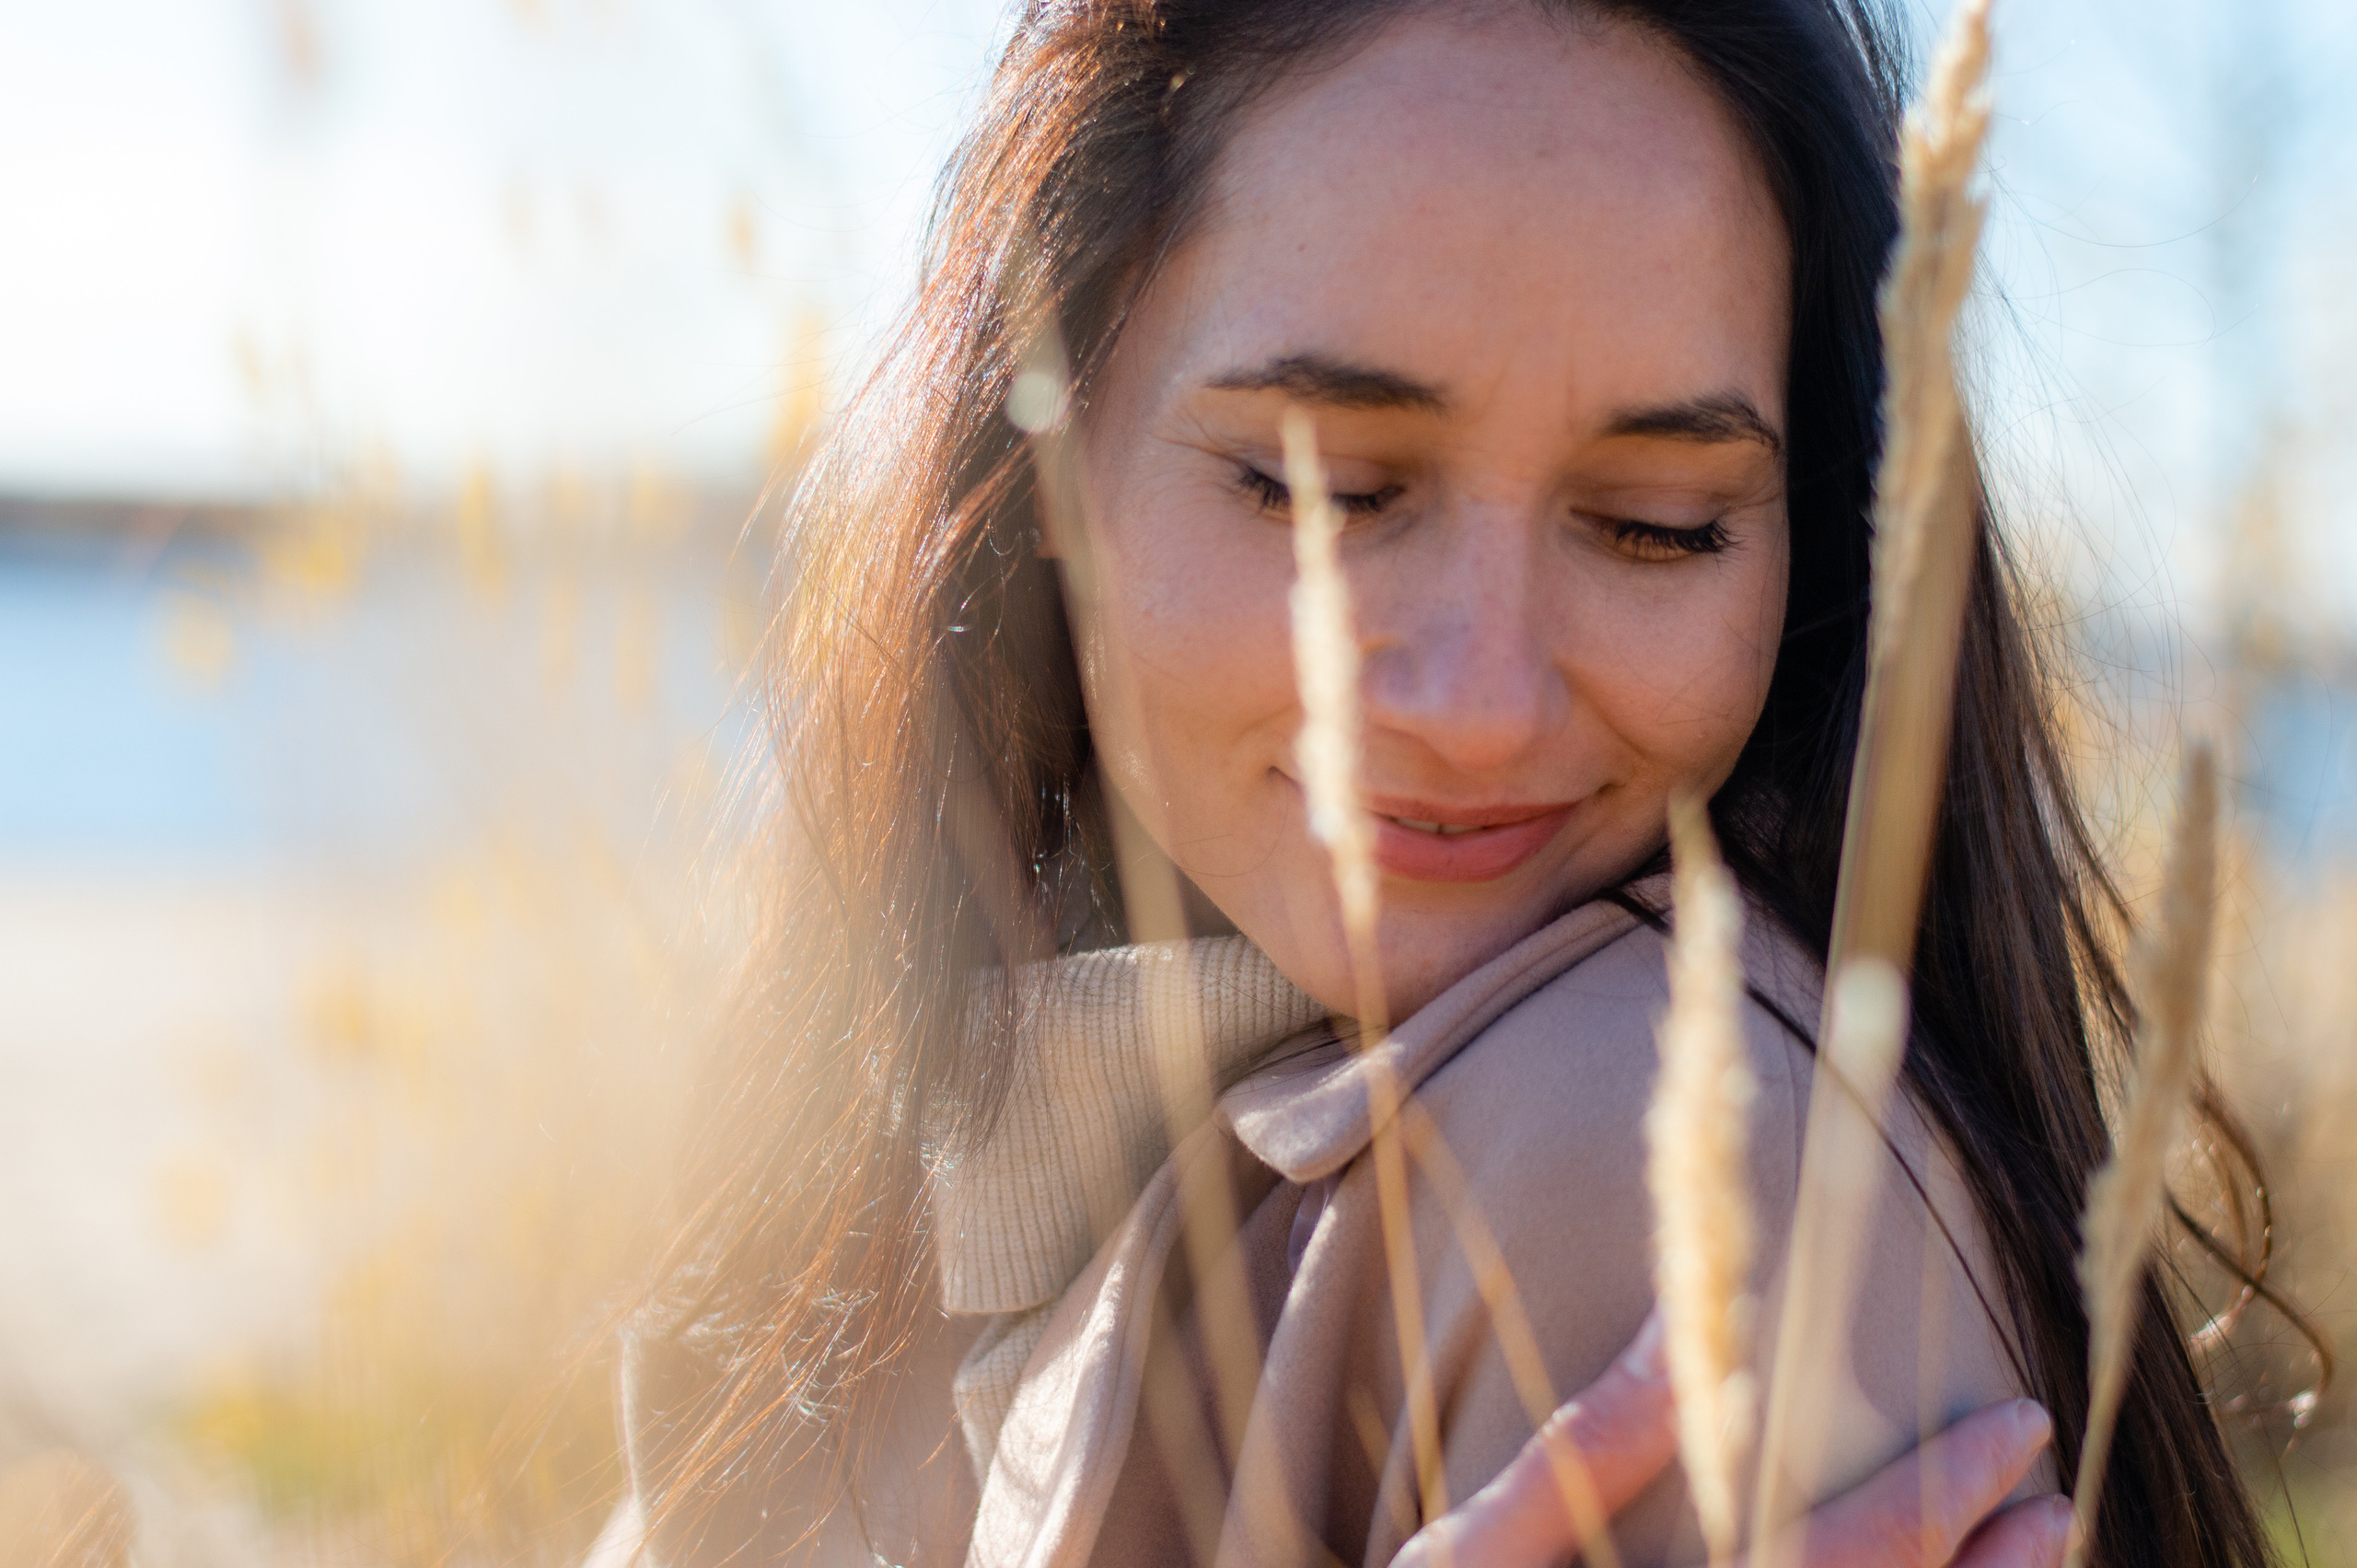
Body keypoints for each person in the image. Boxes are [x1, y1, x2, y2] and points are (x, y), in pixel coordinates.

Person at [605, 2, 2281, 1565]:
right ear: (1048, 442)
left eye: (1657, 526)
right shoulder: (902, 1126)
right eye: (1325, 491)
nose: (1482, 705)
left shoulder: (1649, 1169)